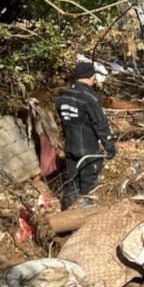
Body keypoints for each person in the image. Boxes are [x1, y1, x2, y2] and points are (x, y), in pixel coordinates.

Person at [54, 62, 117, 210]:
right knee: (89, 186)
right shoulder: (90, 98)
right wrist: (110, 147)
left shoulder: (63, 96)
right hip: (88, 151)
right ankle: (84, 216)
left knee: (72, 184)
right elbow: (100, 125)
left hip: (70, 148)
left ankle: (66, 213)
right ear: (91, 77)